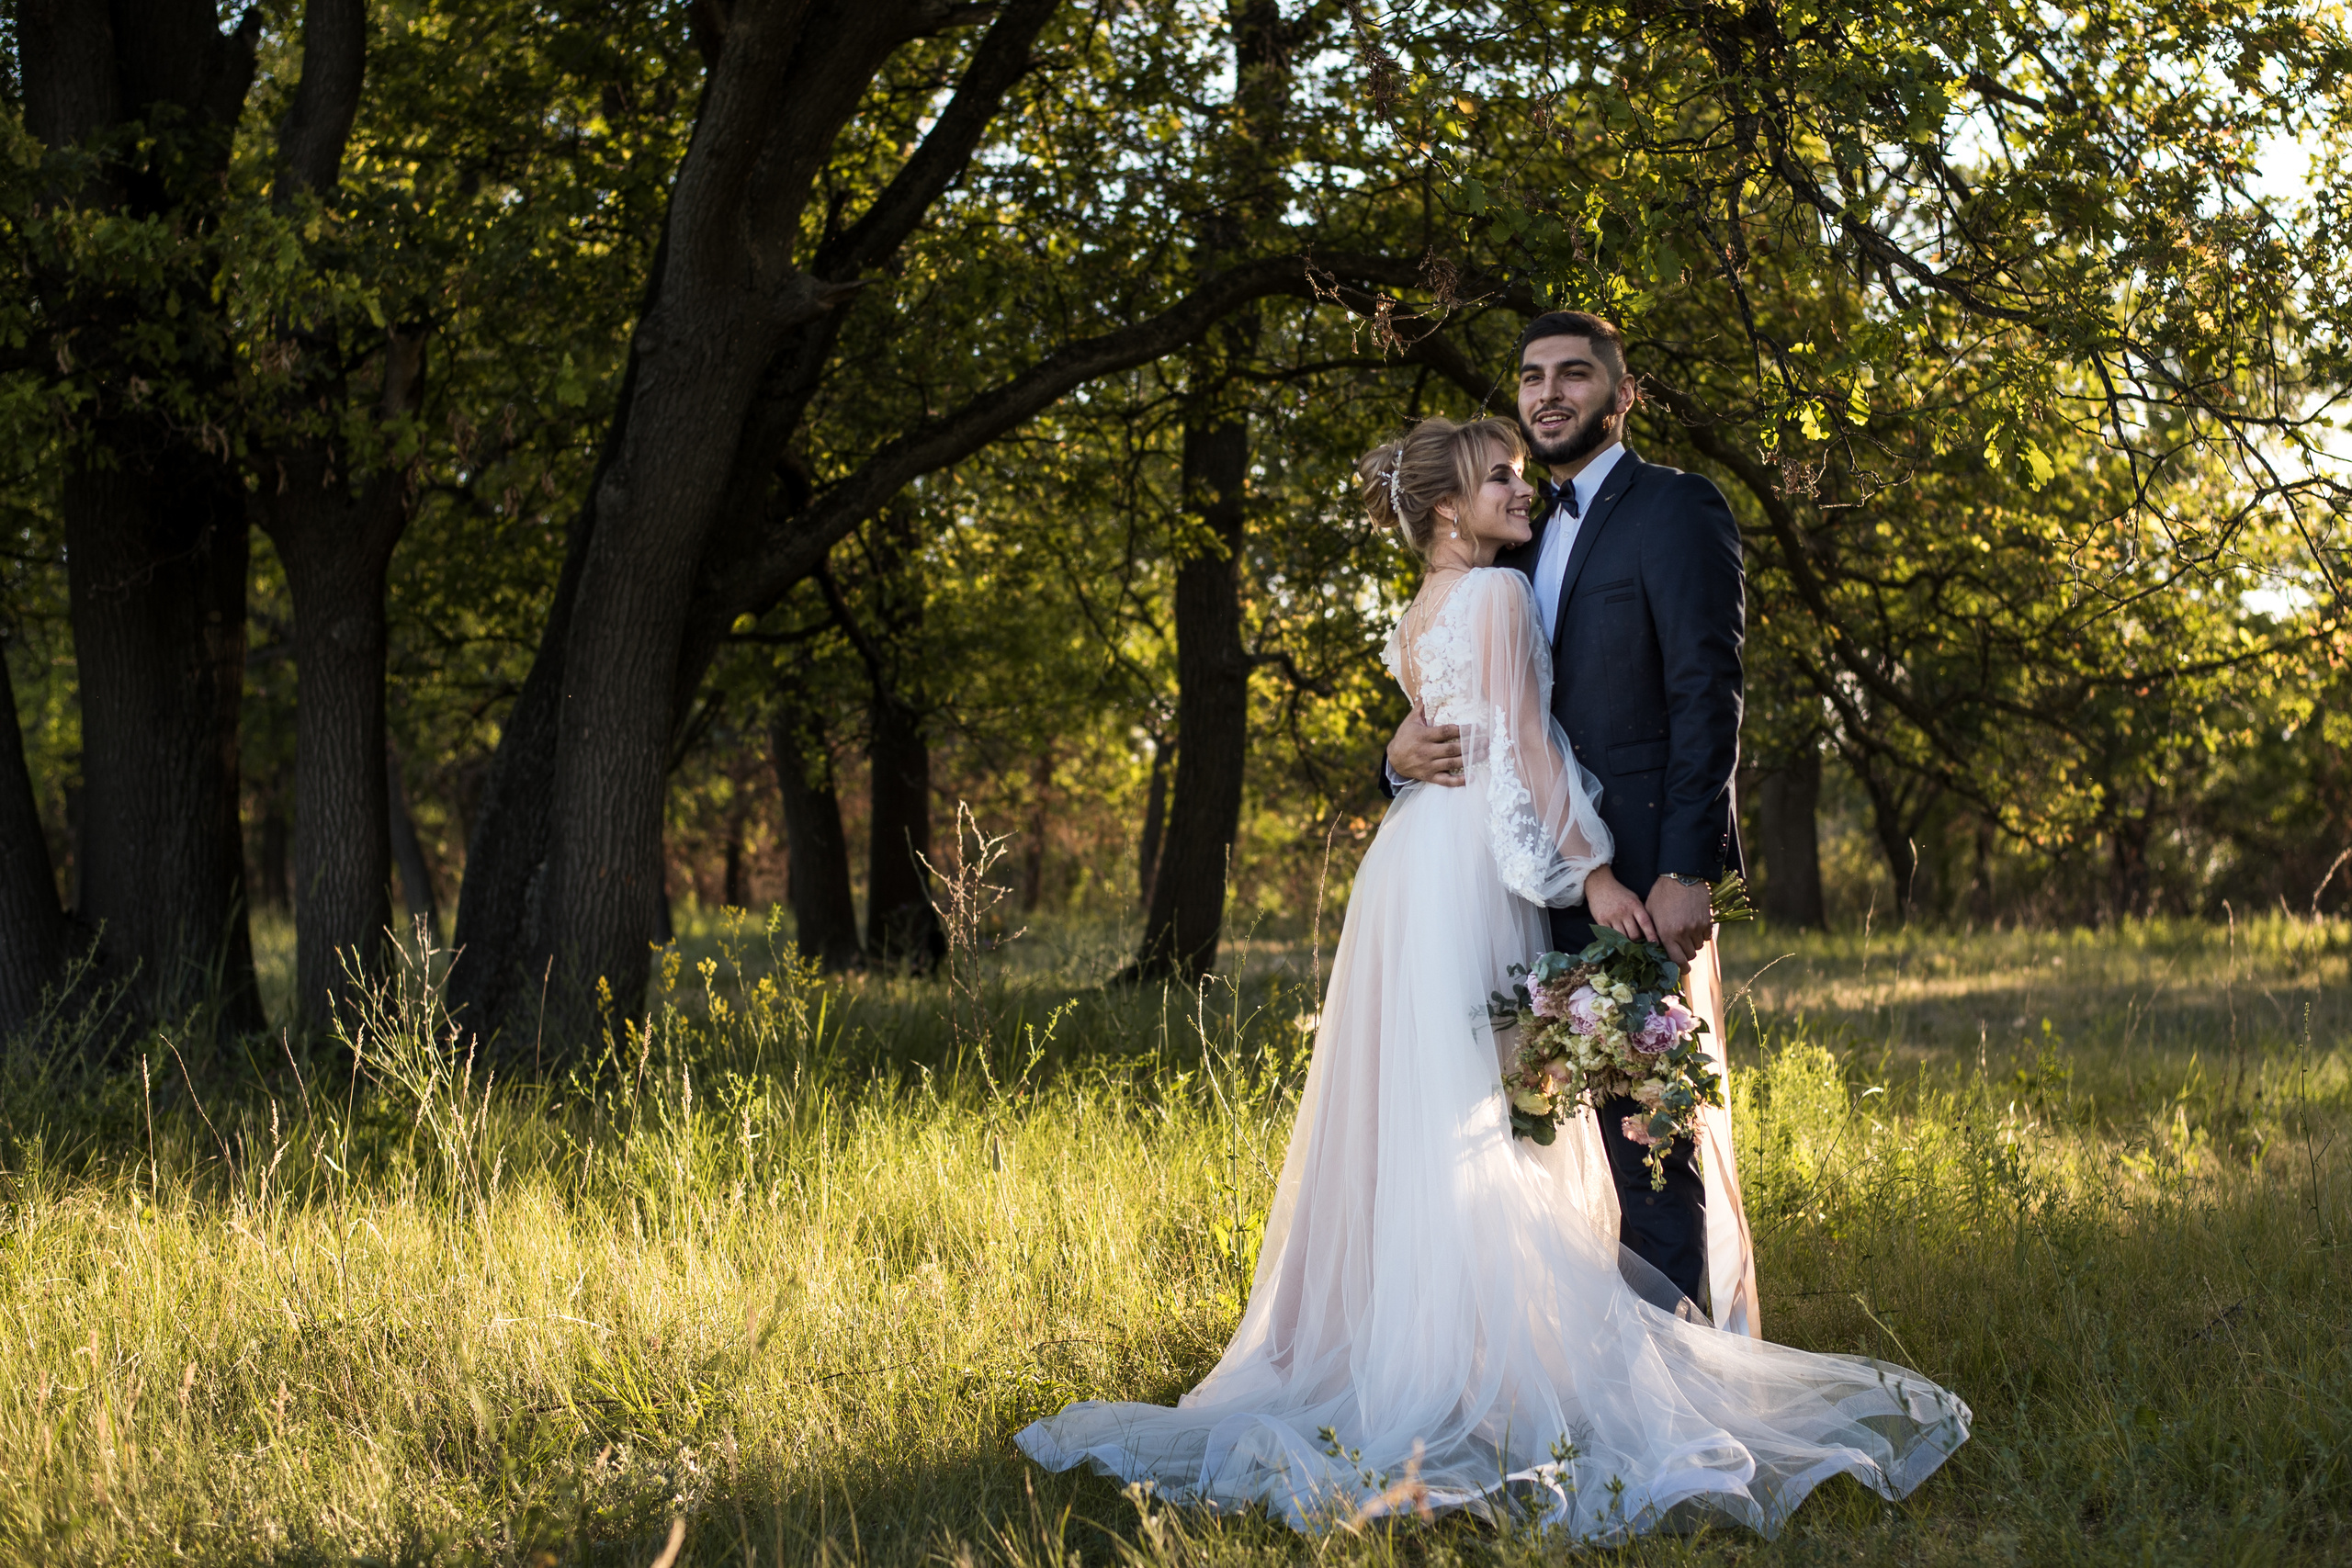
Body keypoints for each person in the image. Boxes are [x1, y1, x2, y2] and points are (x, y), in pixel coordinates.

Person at [1014, 416, 1969, 1536]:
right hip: (1477, 864)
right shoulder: (1503, 598)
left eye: (1522, 472)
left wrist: (1406, 765)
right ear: (1442, 510)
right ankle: (1508, 1372)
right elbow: (1525, 750)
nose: (1520, 490)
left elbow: (1448, 731)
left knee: (1440, 1118)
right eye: (1498, 479)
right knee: (1505, 1123)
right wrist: (1599, 877)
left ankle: (1422, 1357)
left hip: (1407, 869)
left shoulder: (1412, 616)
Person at [1386, 311, 1750, 1328]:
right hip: (1504, 880)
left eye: (1575, 375)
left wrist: (1687, 864)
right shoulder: (1517, 524)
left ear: (1621, 394)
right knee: (1519, 1136)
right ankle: (1549, 1358)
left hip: (1629, 872)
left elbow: (1704, 692)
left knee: (1646, 1136)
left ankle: (1682, 1373)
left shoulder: (1676, 508)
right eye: (1531, 377)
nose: (1548, 393)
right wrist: (1393, 756)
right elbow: (1482, 695)